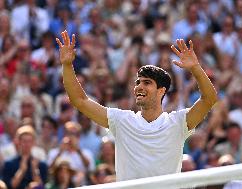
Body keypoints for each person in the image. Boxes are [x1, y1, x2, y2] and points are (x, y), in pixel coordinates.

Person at [56, 30, 217, 181]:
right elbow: (80, 101)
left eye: (147, 83)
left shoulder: (178, 122)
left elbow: (209, 100)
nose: (139, 86)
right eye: (138, 82)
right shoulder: (121, 120)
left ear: (161, 91)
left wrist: (196, 68)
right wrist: (67, 65)